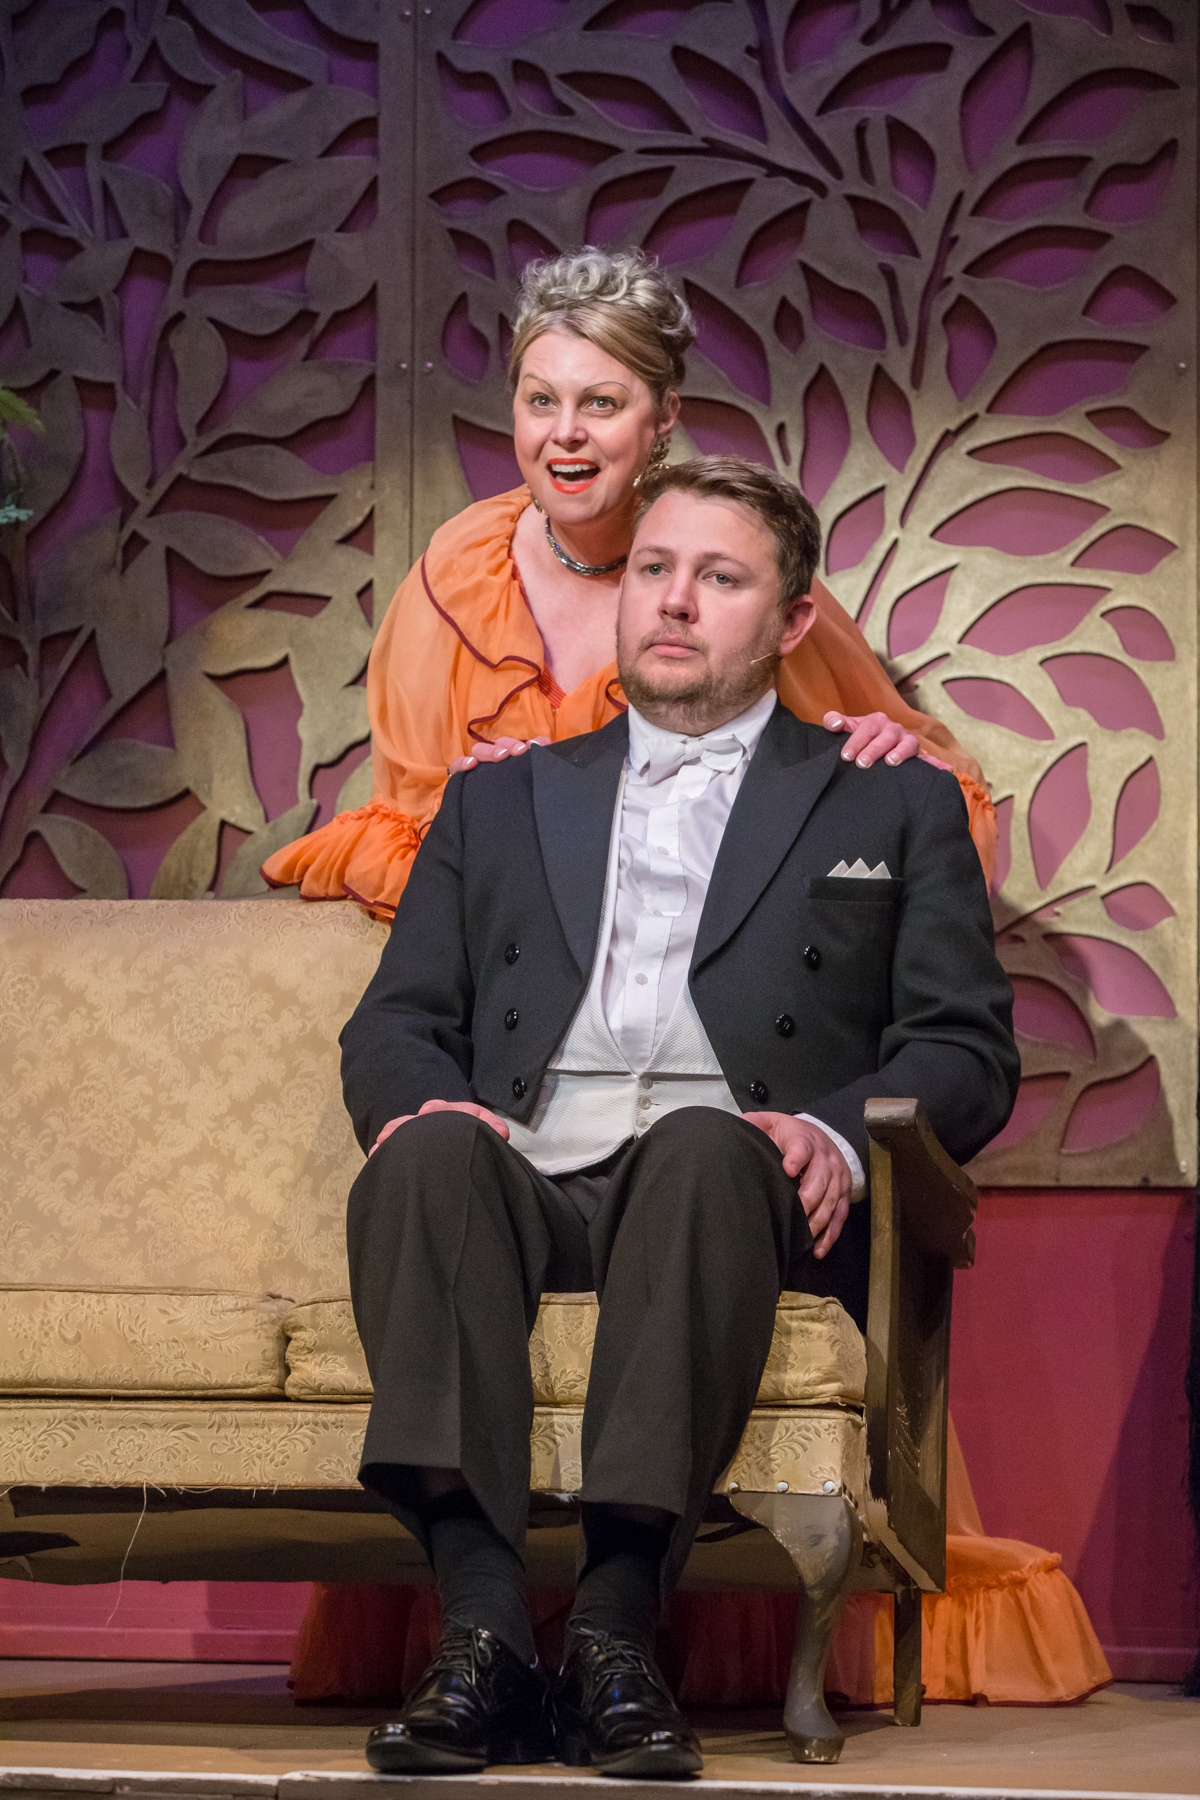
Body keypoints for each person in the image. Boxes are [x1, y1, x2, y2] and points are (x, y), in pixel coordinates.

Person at [340, 456, 1019, 1776]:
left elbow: (965, 1049)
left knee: (706, 1146)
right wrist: (420, 1104)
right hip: (528, 1179)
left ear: (795, 618)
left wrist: (831, 1134)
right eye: (653, 569)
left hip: (731, 1196)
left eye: (720, 577)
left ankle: (614, 1635)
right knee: (425, 1154)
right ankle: (481, 1636)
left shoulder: (888, 795)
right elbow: (396, 1020)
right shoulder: (502, 794)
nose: (674, 600)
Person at [262, 249, 995, 918]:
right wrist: (485, 808)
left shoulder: (732, 561)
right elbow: (410, 830)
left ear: (664, 416)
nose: (565, 432)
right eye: (541, 400)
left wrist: (878, 748)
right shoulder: (456, 575)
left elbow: (893, 795)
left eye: (601, 403)